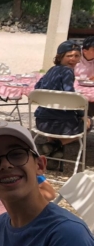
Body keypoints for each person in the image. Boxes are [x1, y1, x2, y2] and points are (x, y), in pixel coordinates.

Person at [33, 40, 89, 169]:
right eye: (69, 56)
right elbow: (71, 98)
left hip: (42, 123)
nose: (73, 59)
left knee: (60, 119)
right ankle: (55, 146)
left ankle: (52, 157)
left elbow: (37, 87)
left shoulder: (52, 70)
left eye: (76, 55)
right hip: (63, 126)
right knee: (88, 121)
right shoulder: (67, 72)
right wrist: (82, 115)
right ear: (60, 56)